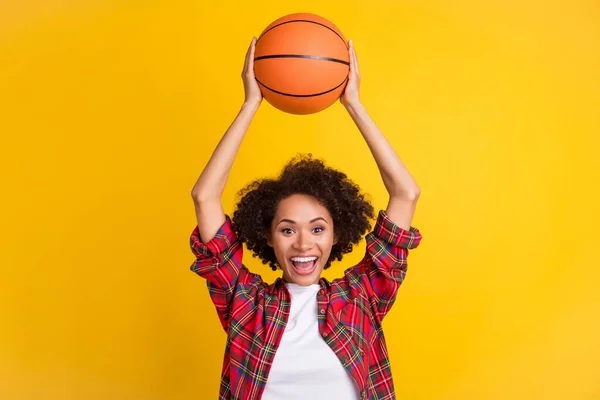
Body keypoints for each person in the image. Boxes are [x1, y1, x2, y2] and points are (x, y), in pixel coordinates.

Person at [189, 37, 422, 400]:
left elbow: (406, 193)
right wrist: (251, 103)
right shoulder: (246, 303)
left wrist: (354, 104)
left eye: (317, 228)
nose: (303, 243)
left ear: (336, 234)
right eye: (287, 229)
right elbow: (204, 197)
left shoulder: (361, 298)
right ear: (267, 236)